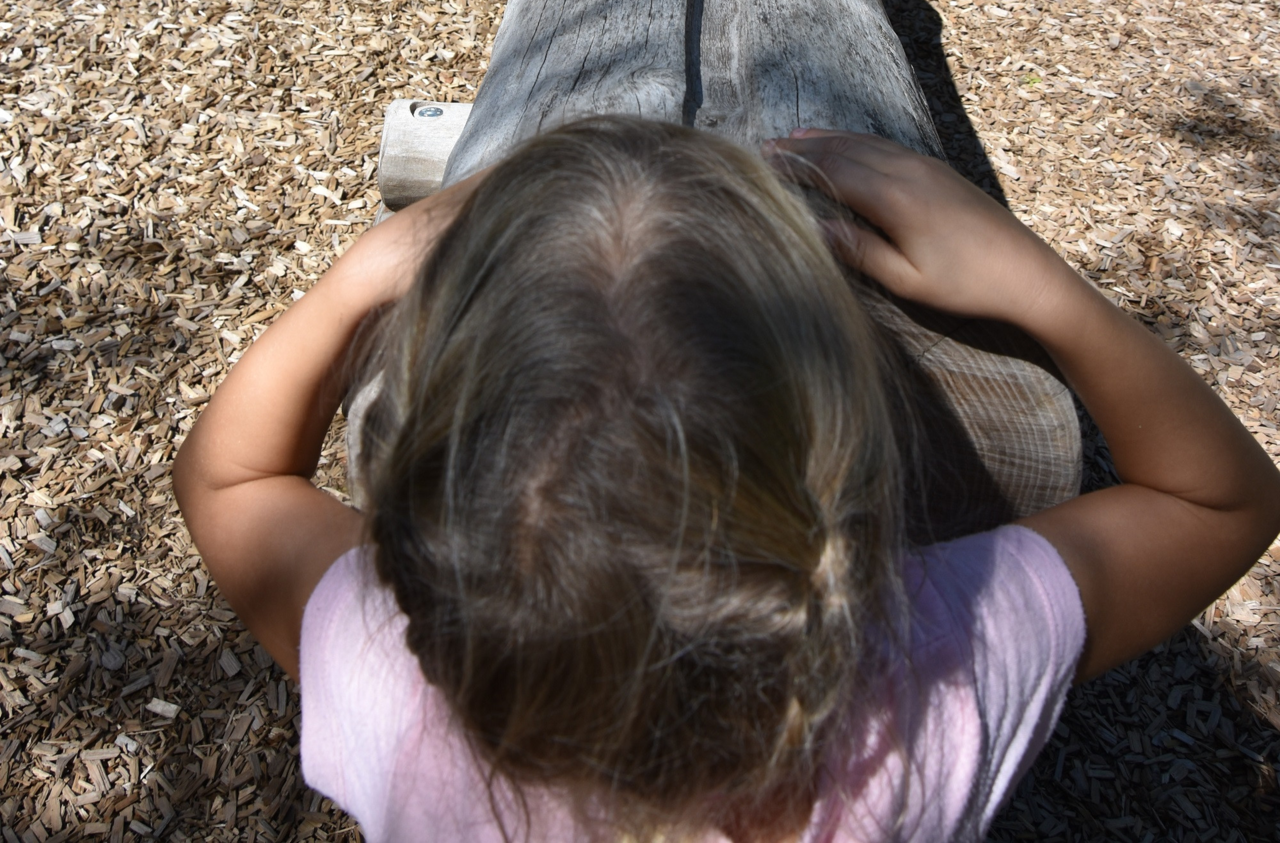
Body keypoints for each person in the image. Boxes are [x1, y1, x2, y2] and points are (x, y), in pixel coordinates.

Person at [173, 116, 1280, 843]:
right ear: (839, 468)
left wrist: (355, 279)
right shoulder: (928, 675)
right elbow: (1217, 499)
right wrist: (1034, 283)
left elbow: (227, 483)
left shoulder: (399, 687)